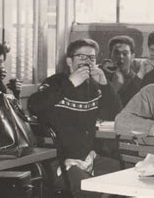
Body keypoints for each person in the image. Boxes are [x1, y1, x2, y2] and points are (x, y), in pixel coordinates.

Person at [28, 39, 122, 197]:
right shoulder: (55, 82)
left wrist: (105, 85)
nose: (87, 62)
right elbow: (34, 106)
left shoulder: (94, 86)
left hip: (88, 157)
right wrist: (70, 83)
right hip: (58, 161)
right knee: (89, 189)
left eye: (91, 58)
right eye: (82, 57)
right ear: (69, 61)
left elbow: (115, 114)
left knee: (127, 175)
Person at [102, 35, 142, 107]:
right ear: (110, 55)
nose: (121, 57)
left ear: (132, 56)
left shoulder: (138, 80)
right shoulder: (102, 77)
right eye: (117, 53)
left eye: (125, 53)